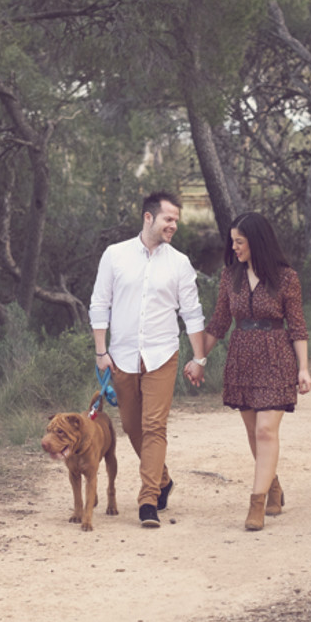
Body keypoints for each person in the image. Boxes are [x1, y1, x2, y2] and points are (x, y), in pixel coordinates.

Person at [185, 212, 311, 531]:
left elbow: (297, 326)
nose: (234, 247)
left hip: (276, 358)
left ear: (256, 241)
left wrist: (304, 369)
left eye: (239, 241)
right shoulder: (231, 276)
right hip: (242, 359)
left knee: (266, 431)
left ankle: (256, 503)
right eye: (232, 241)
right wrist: (199, 359)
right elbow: (219, 323)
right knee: (254, 431)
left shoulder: (286, 278)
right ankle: (273, 486)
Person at [90, 191, 208, 528]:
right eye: (168, 219)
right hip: (122, 356)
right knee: (132, 426)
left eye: (176, 221)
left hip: (162, 354)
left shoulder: (179, 263)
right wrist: (101, 351)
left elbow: (192, 313)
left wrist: (199, 358)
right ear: (148, 217)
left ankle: (148, 500)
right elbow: (100, 304)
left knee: (154, 426)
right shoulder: (115, 255)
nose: (174, 225)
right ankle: (163, 479)